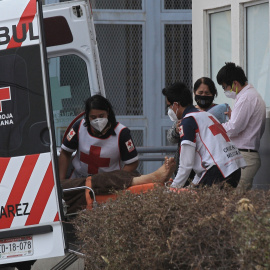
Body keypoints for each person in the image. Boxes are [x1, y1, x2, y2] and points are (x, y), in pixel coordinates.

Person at [162, 81, 246, 189]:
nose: (169, 110)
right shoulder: (206, 115)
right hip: (233, 168)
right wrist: (192, 186)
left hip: (219, 171)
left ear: (176, 105)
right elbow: (203, 164)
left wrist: (173, 189)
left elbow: (185, 165)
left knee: (197, 203)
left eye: (169, 106)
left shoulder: (188, 121)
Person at [59, 94, 139, 180]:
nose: (97, 120)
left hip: (108, 184)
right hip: (79, 180)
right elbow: (65, 153)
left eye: (101, 116)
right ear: (87, 115)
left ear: (108, 112)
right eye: (93, 117)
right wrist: (61, 183)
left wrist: (117, 180)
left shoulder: (122, 133)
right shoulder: (79, 127)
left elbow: (132, 162)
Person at [216, 62, 266, 192]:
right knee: (237, 201)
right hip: (243, 155)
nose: (225, 91)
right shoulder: (249, 96)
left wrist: (215, 128)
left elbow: (234, 127)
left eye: (225, 87)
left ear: (235, 83)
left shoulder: (246, 98)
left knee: (234, 201)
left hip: (244, 156)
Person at [61, 156, 176, 213]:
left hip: (60, 191)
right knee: (101, 180)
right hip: (70, 196)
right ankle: (151, 178)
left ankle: (146, 178)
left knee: (125, 174)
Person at [167, 77, 229, 180]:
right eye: (200, 92)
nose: (203, 96)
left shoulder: (220, 112)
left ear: (214, 94)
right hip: (187, 164)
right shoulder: (185, 112)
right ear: (194, 93)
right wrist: (176, 131)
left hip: (209, 165)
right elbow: (170, 138)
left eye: (207, 93)